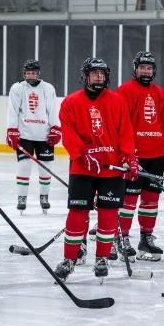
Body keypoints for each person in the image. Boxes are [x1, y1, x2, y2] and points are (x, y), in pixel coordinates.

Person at [53, 58, 138, 282]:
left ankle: (101, 258)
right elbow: (67, 132)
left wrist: (129, 156)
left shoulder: (117, 101)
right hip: (83, 169)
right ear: (85, 76)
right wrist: (82, 153)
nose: (99, 77)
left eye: (102, 73)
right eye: (94, 73)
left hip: (112, 169)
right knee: (77, 214)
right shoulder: (71, 102)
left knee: (108, 214)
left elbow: (125, 132)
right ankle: (70, 259)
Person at [116, 51, 164, 262]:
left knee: (151, 200)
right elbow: (121, 124)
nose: (146, 71)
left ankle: (146, 238)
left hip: (156, 156)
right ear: (135, 69)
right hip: (134, 156)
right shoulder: (125, 90)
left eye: (149, 68)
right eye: (142, 67)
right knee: (129, 200)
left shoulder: (159, 92)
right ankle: (122, 239)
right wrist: (126, 153)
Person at [5, 59, 61, 214]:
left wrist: (56, 127)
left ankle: (44, 196)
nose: (31, 75)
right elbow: (13, 110)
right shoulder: (17, 88)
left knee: (46, 168)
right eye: (28, 73)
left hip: (44, 136)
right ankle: (21, 198)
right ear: (24, 74)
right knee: (24, 166)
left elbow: (53, 110)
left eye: (33, 73)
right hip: (25, 135)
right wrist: (11, 129)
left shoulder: (48, 88)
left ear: (38, 74)